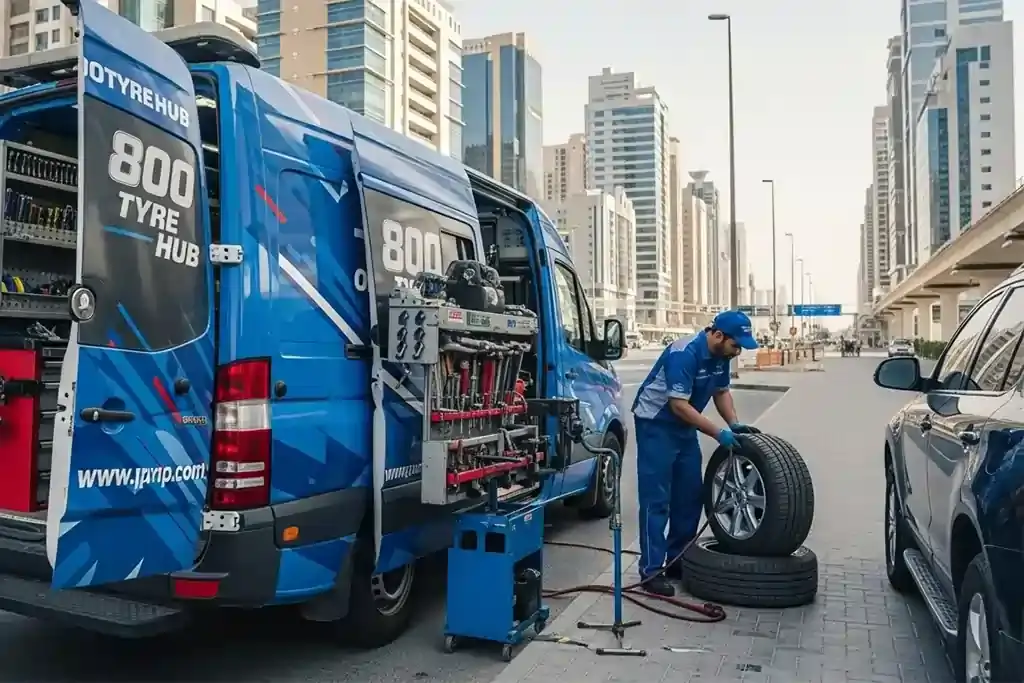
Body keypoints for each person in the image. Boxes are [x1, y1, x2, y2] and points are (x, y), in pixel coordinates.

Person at [631, 310, 760, 597]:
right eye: (735, 345)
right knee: (657, 499)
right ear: (717, 335)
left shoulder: (721, 356)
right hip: (657, 424)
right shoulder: (684, 353)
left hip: (685, 426)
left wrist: (734, 424)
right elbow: (678, 405)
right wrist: (718, 433)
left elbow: (721, 392)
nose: (737, 351)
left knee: (689, 495)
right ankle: (651, 571)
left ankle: (677, 560)